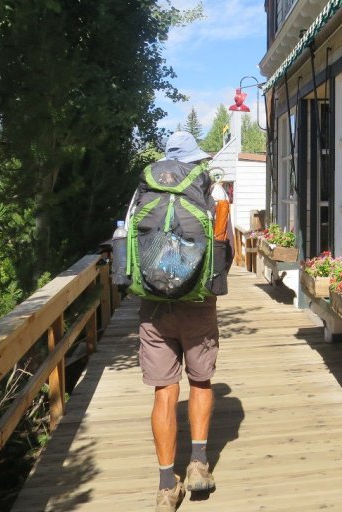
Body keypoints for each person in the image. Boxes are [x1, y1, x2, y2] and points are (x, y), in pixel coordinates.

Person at [127, 131, 225, 511]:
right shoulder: (212, 190)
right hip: (197, 301)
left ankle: (167, 486)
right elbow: (224, 247)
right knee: (200, 380)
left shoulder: (143, 191)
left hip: (153, 306)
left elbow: (128, 240)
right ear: (193, 160)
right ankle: (198, 464)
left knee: (164, 390)